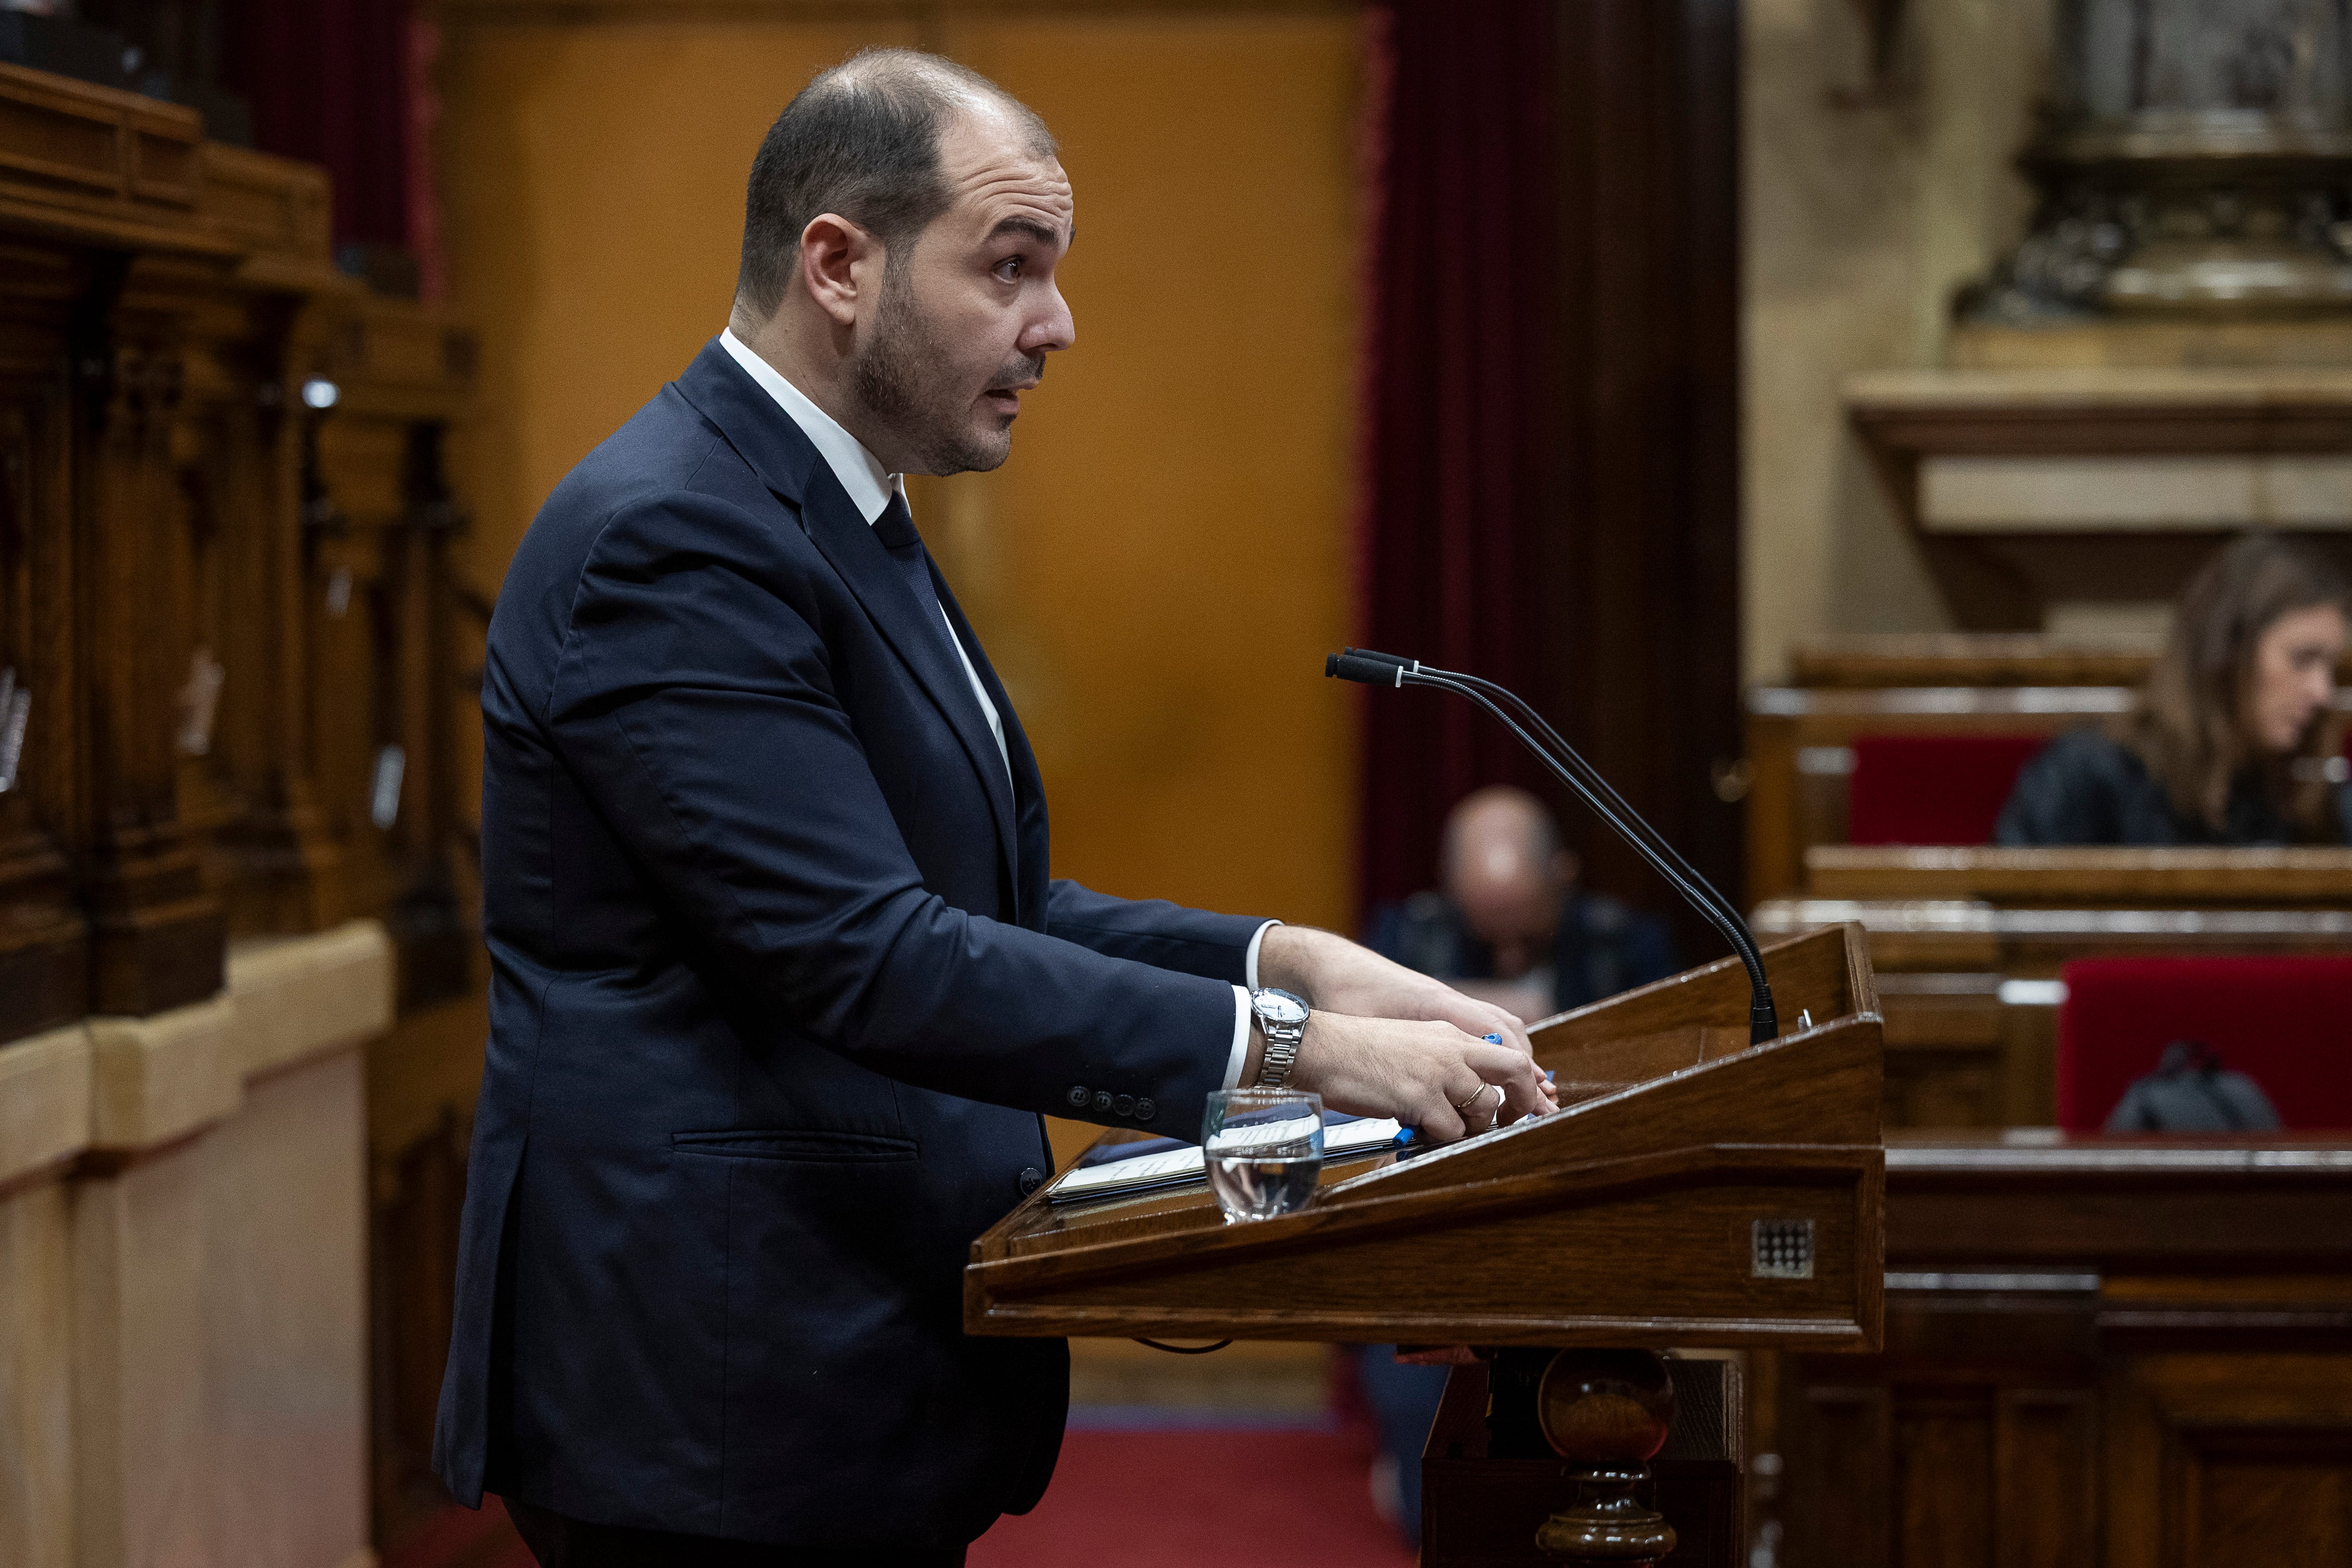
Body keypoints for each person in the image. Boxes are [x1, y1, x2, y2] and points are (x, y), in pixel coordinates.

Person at [431, 48, 1556, 1567]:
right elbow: (868, 952)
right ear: (839, 264)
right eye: (1009, 266)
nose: (1056, 321)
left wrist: (1290, 960)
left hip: (823, 1370)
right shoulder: (675, 535)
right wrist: (1304, 1050)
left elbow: (974, 903)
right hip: (710, 1395)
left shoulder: (837, 506)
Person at [1355, 785, 1679, 1541]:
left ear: (1562, 877)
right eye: (1484, 930)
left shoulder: (1628, 945)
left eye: (1523, 931)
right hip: (1433, 1211)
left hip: (1588, 1206)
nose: (1505, 953)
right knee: (1431, 1502)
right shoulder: (1401, 939)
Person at [1995, 534, 2352, 847]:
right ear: (2228, 653)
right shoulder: (2089, 777)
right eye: (2303, 659)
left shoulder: (2313, 800)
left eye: (2330, 669)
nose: (2322, 692)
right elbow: (2008, 897)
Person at [1367, 785, 1681, 1025]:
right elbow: (1367, 1008)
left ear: (1564, 877)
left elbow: (1664, 1034)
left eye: (1530, 939)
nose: (1510, 961)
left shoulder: (1621, 942)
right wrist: (1496, 1005)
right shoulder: (1410, 936)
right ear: (1451, 891)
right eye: (1487, 941)